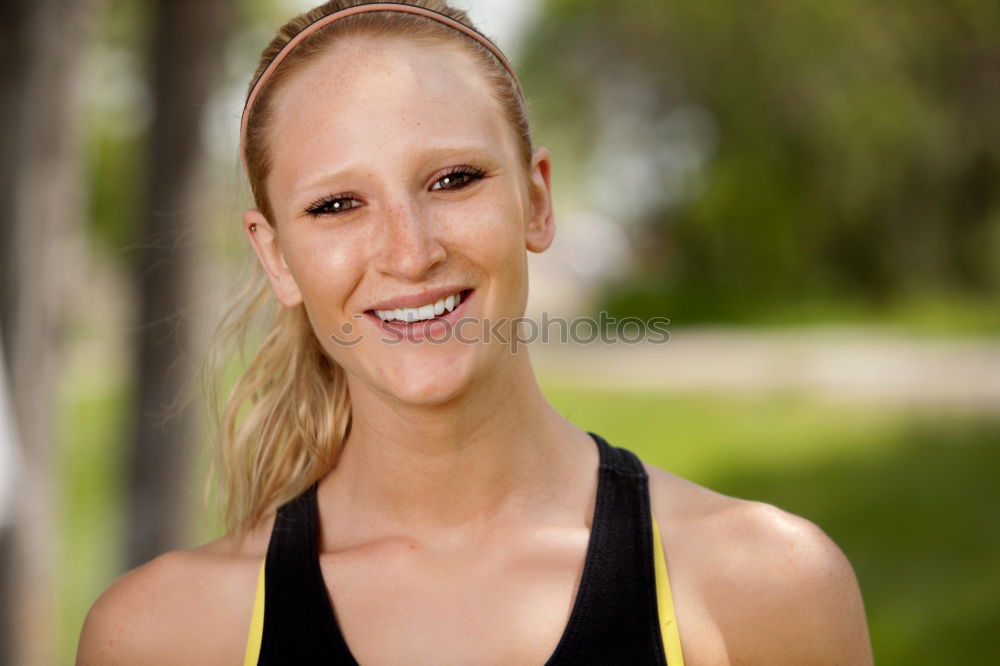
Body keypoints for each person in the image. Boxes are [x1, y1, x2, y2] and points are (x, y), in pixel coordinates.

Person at [76, 1, 874, 664]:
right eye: (337, 205)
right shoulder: (164, 635)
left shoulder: (764, 585)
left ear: (537, 200)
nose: (410, 252)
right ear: (276, 256)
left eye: (453, 180)